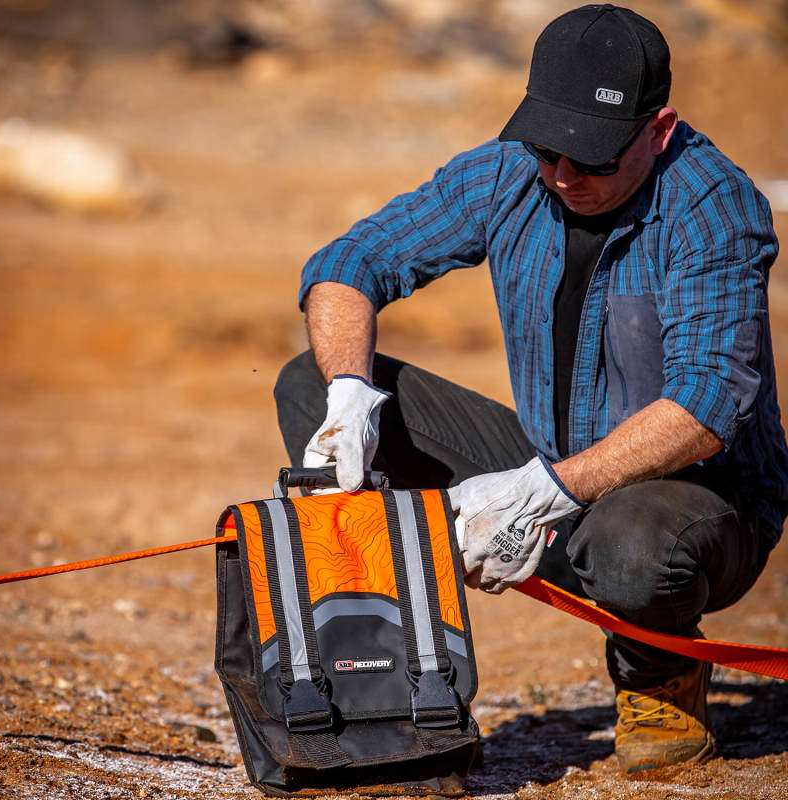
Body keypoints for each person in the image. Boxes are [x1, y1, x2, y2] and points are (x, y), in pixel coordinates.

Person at [274, 3, 788, 774]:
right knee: (306, 388)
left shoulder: (715, 209)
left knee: (635, 548)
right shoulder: (513, 168)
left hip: (694, 500)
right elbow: (351, 262)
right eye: (550, 148)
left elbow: (709, 406)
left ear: (660, 128)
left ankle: (660, 669)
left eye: (594, 157)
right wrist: (349, 394)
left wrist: (539, 494)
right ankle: (395, 655)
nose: (563, 174)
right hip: (546, 467)